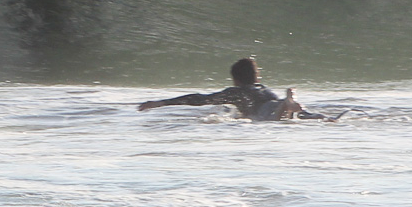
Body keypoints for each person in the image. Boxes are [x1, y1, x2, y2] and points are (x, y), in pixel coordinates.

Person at [137, 58, 335, 121]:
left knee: (275, 116)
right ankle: (292, 105)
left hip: (265, 111)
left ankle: (288, 104)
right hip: (273, 103)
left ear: (236, 80)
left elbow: (200, 99)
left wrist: (161, 103)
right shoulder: (261, 88)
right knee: (304, 116)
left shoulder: (238, 93)